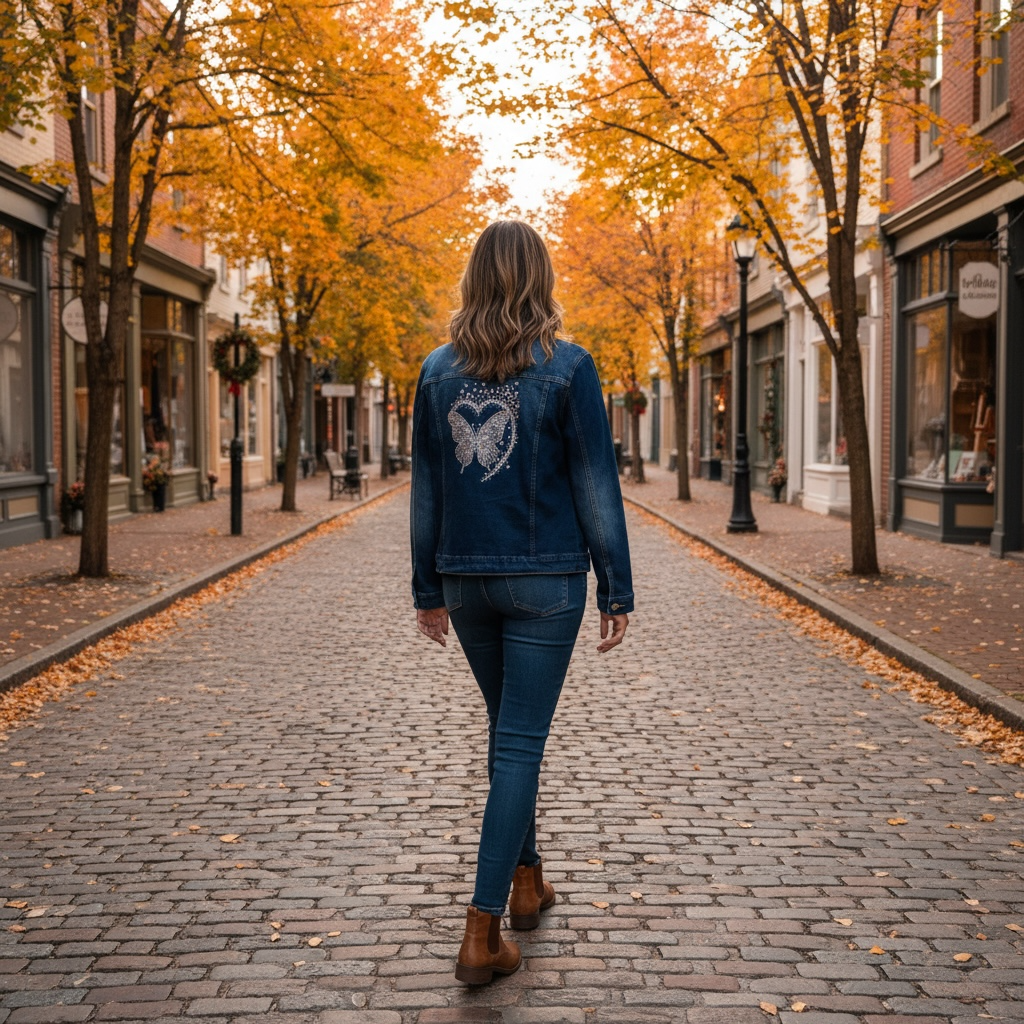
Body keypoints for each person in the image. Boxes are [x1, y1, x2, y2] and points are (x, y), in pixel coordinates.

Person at [410, 220, 634, 985]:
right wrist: (617, 583)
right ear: (539, 279)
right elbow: (594, 483)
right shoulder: (568, 368)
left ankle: (527, 884)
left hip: (467, 582)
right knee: (518, 744)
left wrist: (426, 588)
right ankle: (481, 932)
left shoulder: (438, 371)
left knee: (510, 735)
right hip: (545, 586)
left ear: (474, 279)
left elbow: (429, 491)